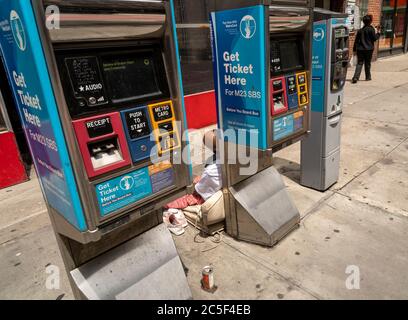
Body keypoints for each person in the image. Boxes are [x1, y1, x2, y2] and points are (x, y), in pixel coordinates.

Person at [163, 130, 222, 234]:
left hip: (203, 196)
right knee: (197, 179)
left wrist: (194, 185)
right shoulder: (229, 159)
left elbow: (198, 191)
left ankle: (174, 218)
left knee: (167, 202)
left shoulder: (211, 170)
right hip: (215, 186)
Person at [352, 15, 381, 83]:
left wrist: (354, 50)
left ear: (363, 22)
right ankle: (368, 77)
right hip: (369, 49)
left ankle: (355, 77)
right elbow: (374, 38)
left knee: (359, 63)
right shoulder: (371, 29)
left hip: (360, 49)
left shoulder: (360, 30)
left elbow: (356, 41)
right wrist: (378, 33)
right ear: (370, 21)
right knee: (367, 63)